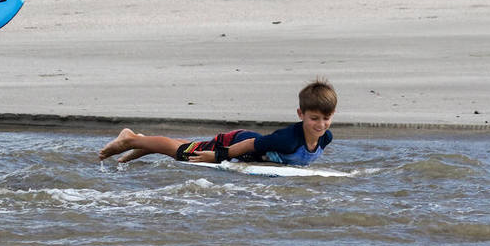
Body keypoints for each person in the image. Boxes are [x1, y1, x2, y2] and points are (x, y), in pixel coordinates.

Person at [98, 79, 337, 166]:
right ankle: (129, 138)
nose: (320, 124)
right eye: (314, 118)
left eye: (326, 118)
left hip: (243, 150)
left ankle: (142, 142)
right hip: (236, 144)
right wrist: (219, 156)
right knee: (182, 153)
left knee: (193, 145)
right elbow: (252, 144)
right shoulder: (287, 139)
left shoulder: (325, 137)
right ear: (300, 114)